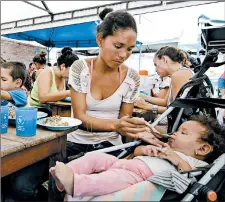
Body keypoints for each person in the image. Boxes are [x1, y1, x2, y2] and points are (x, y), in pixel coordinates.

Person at [49, 115, 225, 197]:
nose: (174, 134)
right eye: (177, 130)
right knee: (94, 157)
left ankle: (75, 184)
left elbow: (187, 178)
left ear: (202, 149)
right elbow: (136, 152)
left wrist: (175, 158)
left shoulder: (193, 163)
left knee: (107, 179)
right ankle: (65, 173)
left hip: (137, 176)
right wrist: (145, 150)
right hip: (127, 163)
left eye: (183, 133)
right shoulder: (164, 145)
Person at [66, 8, 151, 159]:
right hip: (76, 143)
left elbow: (124, 121)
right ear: (100, 39)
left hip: (110, 145)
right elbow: (80, 117)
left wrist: (137, 128)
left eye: (130, 49)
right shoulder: (80, 69)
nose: (123, 55)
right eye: (118, 46)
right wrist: (116, 125)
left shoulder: (131, 78)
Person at [134, 46, 194, 115]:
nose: (155, 69)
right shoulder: (179, 73)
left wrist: (147, 106)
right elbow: (165, 102)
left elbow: (175, 110)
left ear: (164, 59)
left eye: (156, 65)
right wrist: (140, 95)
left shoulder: (179, 75)